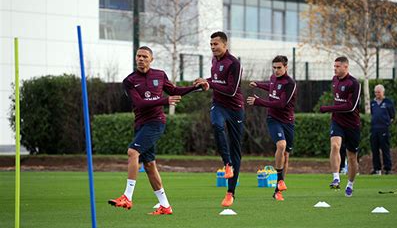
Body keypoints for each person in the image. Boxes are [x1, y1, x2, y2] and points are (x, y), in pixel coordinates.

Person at [108, 46, 209, 215]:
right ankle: (165, 206)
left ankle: (127, 196)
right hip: (141, 124)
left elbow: (175, 91)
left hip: (156, 123)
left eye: (145, 56)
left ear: (151, 59)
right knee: (149, 165)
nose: (141, 59)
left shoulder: (160, 75)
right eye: (138, 56)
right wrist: (164, 100)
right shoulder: (129, 80)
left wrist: (197, 88)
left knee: (133, 152)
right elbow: (139, 103)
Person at [194, 31, 244, 207]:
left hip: (235, 109)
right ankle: (226, 163)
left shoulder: (234, 63)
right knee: (216, 124)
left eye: (216, 44)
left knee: (236, 150)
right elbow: (215, 80)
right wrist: (204, 81)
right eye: (211, 45)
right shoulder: (214, 61)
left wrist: (211, 83)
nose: (213, 47)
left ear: (225, 44)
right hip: (219, 105)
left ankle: (230, 193)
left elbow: (231, 90)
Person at [247, 55, 297, 201]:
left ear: (286, 67)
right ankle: (280, 180)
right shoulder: (273, 78)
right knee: (281, 145)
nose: (276, 70)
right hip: (273, 119)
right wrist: (258, 84)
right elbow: (271, 86)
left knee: (286, 155)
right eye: (274, 68)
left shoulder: (290, 83)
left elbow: (281, 104)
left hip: (287, 122)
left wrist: (258, 101)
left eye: (279, 68)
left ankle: (277, 191)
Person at [319, 56, 361, 197]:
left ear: (345, 67)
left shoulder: (354, 83)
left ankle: (350, 184)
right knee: (335, 145)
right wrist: (333, 110)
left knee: (352, 157)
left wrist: (329, 108)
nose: (335, 68)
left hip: (352, 124)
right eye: (334, 66)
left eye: (337, 66)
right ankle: (336, 177)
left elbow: (351, 106)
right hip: (337, 121)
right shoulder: (334, 80)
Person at [370, 84, 395, 175]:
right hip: (374, 129)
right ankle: (377, 169)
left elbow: (392, 116)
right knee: (375, 149)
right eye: (375, 92)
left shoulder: (388, 102)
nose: (377, 94)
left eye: (379, 92)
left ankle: (387, 168)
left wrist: (386, 124)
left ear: (383, 92)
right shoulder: (372, 103)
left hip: (384, 129)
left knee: (385, 149)